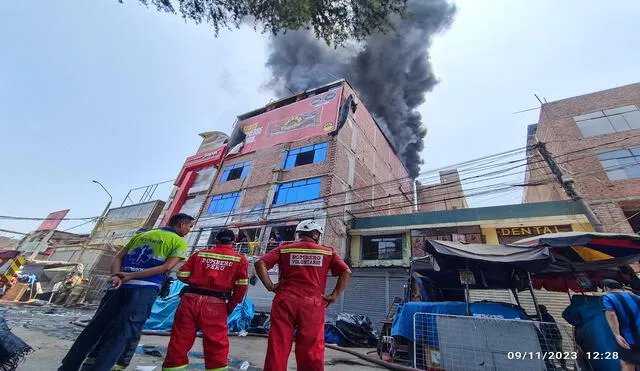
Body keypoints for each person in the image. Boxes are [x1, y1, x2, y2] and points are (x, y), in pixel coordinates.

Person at [58, 213, 194, 371]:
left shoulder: (143, 236)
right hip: (143, 290)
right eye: (190, 226)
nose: (189, 230)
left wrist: (117, 275)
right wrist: (132, 275)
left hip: (118, 287)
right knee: (121, 335)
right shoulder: (179, 242)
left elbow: (117, 258)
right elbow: (166, 267)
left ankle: (68, 366)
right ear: (182, 224)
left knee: (94, 328)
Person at [255, 219, 352, 371]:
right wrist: (334, 295)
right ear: (314, 234)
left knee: (278, 345)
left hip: (284, 301)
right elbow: (346, 271)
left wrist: (270, 286)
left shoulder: (284, 249)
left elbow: (259, 263)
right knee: (311, 347)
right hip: (313, 304)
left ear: (299, 234)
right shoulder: (327, 252)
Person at [162, 229, 249, 371]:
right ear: (233, 242)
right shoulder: (239, 259)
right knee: (216, 342)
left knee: (180, 338)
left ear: (216, 240)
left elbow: (182, 274)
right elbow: (241, 287)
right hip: (216, 304)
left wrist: (199, 279)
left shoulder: (199, 254)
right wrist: (231, 306)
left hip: (190, 299)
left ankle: (173, 367)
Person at [601, 279, 640, 370]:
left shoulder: (608, 297)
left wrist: (617, 334)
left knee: (628, 363)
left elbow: (611, 314)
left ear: (606, 288)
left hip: (628, 337)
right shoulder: (636, 297)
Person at [537, 304, 566, 370]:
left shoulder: (546, 317)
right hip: (554, 336)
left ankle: (560, 365)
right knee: (556, 352)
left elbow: (550, 326)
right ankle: (560, 365)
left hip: (553, 337)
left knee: (553, 351)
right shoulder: (546, 316)